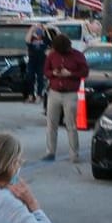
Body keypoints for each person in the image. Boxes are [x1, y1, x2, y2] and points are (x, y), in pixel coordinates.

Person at [41, 34, 89, 163]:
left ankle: (74, 154)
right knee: (51, 124)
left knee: (71, 125)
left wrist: (71, 74)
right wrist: (53, 73)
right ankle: (50, 152)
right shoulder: (52, 55)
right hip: (54, 92)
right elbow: (46, 71)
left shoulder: (77, 55)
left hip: (71, 93)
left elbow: (85, 72)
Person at [24, 23, 50, 103]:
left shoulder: (45, 39)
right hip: (32, 60)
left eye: (40, 28)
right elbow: (27, 40)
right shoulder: (32, 38)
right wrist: (32, 30)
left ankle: (39, 96)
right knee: (30, 77)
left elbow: (51, 44)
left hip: (42, 61)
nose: (39, 30)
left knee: (40, 79)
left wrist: (45, 30)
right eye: (37, 28)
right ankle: (30, 96)